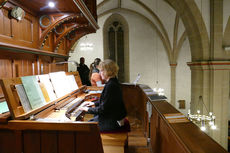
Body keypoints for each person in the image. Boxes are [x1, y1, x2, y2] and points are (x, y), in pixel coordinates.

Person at [79, 59, 127, 131]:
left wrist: (88, 109)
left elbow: (102, 110)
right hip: (112, 116)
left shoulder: (111, 85)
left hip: (112, 121)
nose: (100, 73)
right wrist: (93, 103)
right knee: (89, 122)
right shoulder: (113, 81)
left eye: (101, 71)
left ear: (107, 71)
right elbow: (107, 101)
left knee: (85, 128)